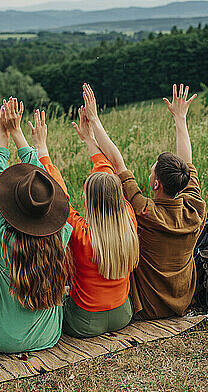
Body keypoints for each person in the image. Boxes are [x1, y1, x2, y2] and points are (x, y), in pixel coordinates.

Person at [80, 83, 207, 320]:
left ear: (156, 184)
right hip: (182, 301)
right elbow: (188, 164)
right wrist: (180, 119)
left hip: (149, 307)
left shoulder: (144, 210)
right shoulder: (195, 209)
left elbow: (118, 163)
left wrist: (95, 120)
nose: (150, 174)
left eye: (152, 172)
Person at [29, 108, 139, 338]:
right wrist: (89, 139)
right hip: (123, 313)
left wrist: (41, 147)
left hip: (85, 322)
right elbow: (107, 178)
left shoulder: (80, 234)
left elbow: (59, 194)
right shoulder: (129, 219)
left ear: (89, 202)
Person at [0, 97, 72, 353]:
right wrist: (20, 135)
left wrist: (4, 135)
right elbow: (42, 184)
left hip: (2, 340)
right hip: (49, 337)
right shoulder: (61, 233)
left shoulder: (3, 239)